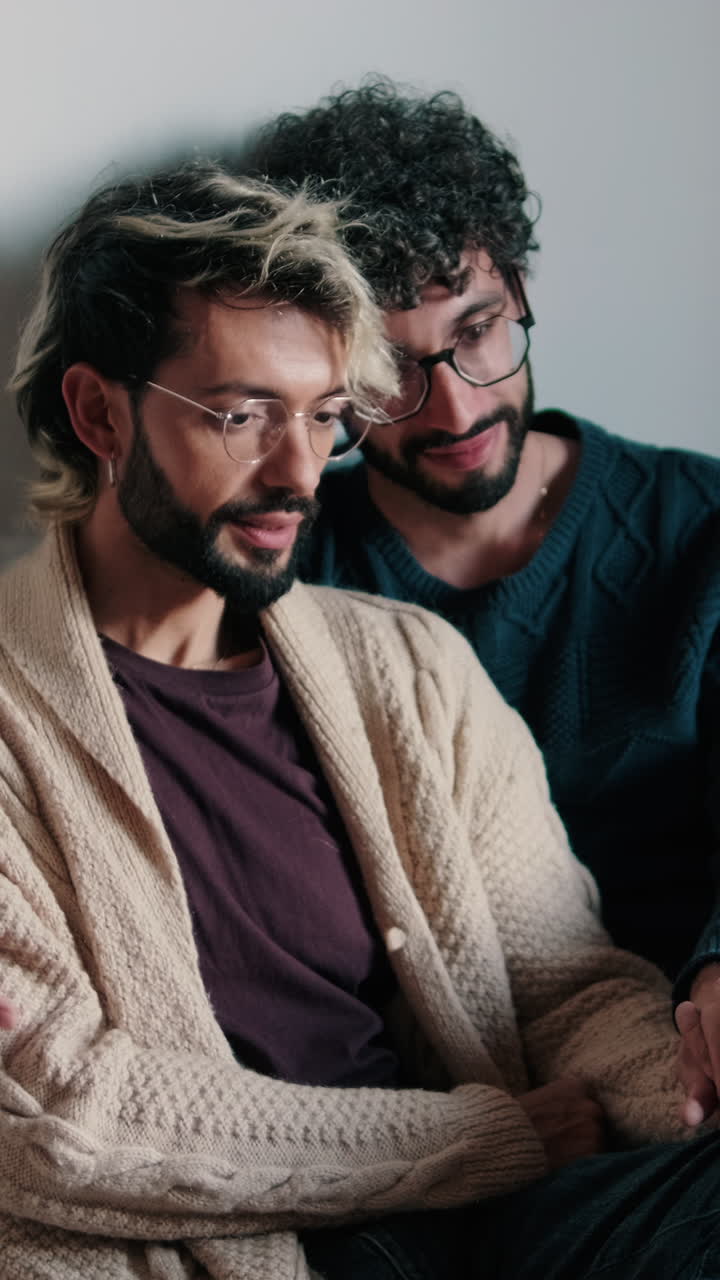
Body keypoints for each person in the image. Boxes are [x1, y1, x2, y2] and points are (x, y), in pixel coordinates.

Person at [0, 157, 718, 1280]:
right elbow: (57, 1110)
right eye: (244, 415)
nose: (299, 473)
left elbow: (566, 991)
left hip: (509, 1224)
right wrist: (488, 1140)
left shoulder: (412, 665)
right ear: (100, 412)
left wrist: (687, 1085)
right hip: (215, 1246)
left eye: (325, 417)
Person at [250, 78, 720, 1127]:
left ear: (519, 288)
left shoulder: (699, 525)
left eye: (479, 331)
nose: (456, 406)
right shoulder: (286, 577)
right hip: (444, 1109)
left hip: (689, 1062)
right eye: (390, 369)